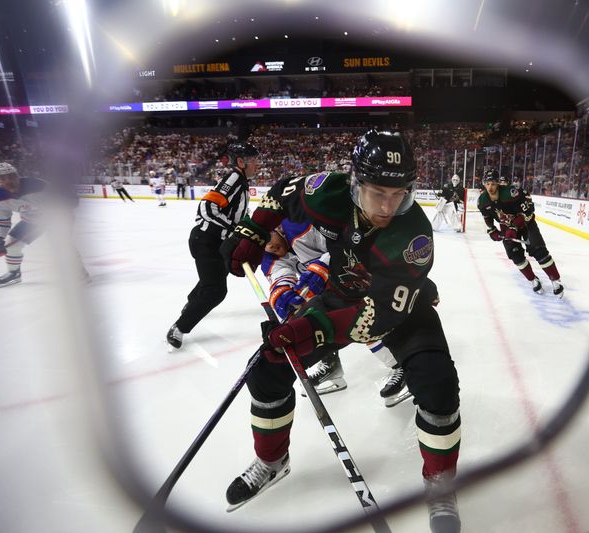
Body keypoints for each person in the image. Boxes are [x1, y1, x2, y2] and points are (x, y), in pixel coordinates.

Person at [220, 130, 461, 532]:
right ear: (355, 184)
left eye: (399, 194)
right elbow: (283, 191)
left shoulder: (413, 235)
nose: (388, 206)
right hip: (342, 293)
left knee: (437, 385)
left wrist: (313, 329)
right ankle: (272, 461)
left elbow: (378, 317)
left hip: (402, 307)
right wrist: (254, 230)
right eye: (377, 193)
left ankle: (441, 484)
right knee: (266, 367)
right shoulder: (327, 191)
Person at [261, 221, 415, 406]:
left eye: (267, 238)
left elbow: (347, 242)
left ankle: (401, 365)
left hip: (359, 272)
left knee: (365, 321)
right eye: (262, 245)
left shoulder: (299, 227)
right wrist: (282, 292)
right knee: (311, 318)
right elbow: (280, 273)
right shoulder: (270, 254)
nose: (268, 246)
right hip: (331, 287)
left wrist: (321, 267)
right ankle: (331, 366)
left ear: (275, 228)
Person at [165, 142, 260, 350]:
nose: (257, 164)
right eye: (253, 160)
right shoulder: (234, 178)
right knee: (215, 290)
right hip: (206, 241)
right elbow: (207, 208)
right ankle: (179, 327)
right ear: (241, 162)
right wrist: (233, 231)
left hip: (216, 242)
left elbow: (237, 215)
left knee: (213, 279)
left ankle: (191, 304)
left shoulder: (241, 182)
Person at [0, 162, 89, 287]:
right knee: (12, 245)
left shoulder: (36, 184)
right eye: (2, 178)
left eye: (11, 176)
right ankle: (14, 273)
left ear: (17, 175)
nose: (8, 180)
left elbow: (65, 195)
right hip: (32, 221)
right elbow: (2, 220)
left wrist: (69, 201)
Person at [478, 169, 564, 297]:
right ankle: (533, 279)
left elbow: (527, 212)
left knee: (538, 250)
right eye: (487, 183)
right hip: (507, 226)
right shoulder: (483, 201)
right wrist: (492, 229)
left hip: (525, 224)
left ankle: (555, 279)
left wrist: (514, 227)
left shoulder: (510, 193)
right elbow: (487, 217)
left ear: (498, 184)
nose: (490, 187)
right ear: (484, 183)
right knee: (515, 255)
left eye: (493, 184)